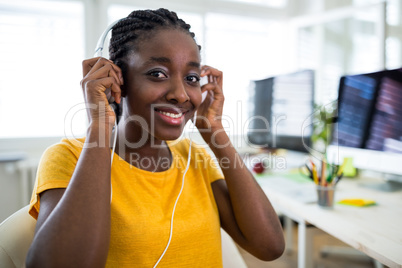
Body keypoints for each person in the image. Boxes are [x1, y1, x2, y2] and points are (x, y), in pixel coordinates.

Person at [26, 8, 285, 267]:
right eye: (158, 73)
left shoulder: (194, 157)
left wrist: (214, 129)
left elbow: (270, 246)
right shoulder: (68, 157)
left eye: (192, 78)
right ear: (116, 78)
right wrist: (100, 125)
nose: (181, 95)